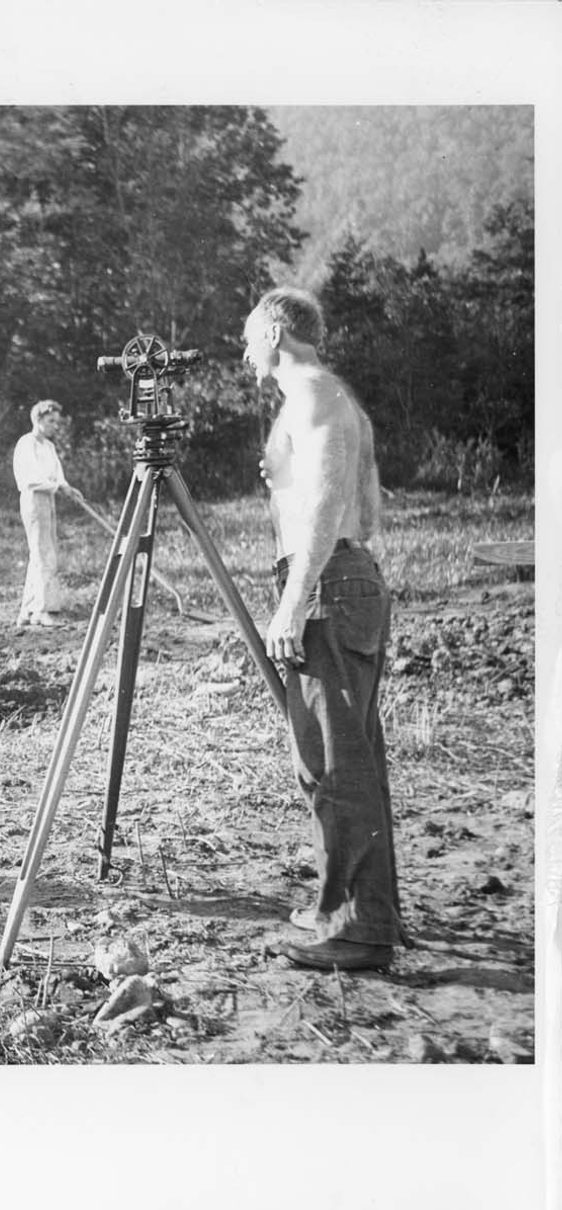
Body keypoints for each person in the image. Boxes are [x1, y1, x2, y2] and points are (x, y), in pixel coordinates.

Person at [245, 287, 406, 971]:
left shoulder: (309, 393)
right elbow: (363, 511)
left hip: (327, 588)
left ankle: (356, 929)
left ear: (276, 332)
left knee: (333, 764)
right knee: (346, 762)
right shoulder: (329, 398)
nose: (244, 350)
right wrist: (285, 479)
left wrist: (292, 601)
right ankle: (354, 908)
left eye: (249, 336)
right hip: (344, 578)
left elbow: (332, 503)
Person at [12, 399, 84, 628]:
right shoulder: (27, 443)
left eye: (57, 422)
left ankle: (26, 611)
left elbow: (57, 475)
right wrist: (57, 487)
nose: (55, 426)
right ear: (39, 420)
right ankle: (41, 610)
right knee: (43, 554)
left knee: (42, 553)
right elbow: (31, 478)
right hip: (34, 499)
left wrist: (67, 487)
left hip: (48, 498)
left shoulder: (49, 447)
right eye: (51, 421)